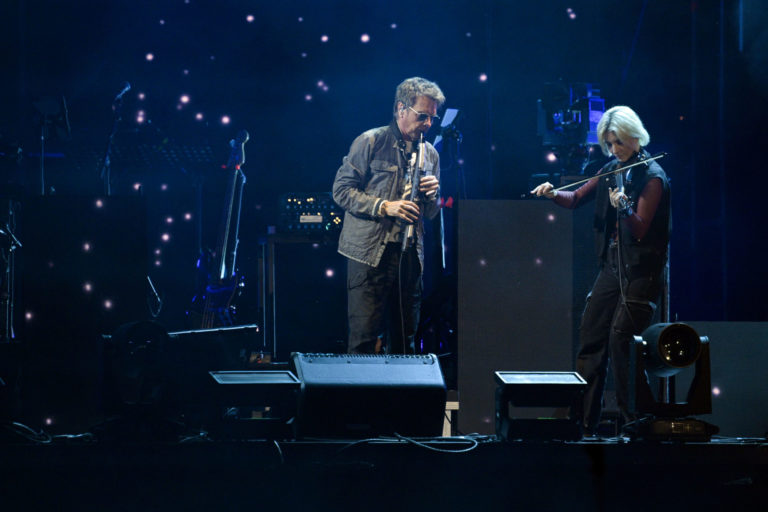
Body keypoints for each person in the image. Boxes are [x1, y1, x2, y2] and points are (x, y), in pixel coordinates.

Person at [531, 105, 670, 435]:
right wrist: (553, 193)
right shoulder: (611, 169)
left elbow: (640, 229)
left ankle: (634, 421)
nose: (614, 149)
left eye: (618, 142)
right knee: (592, 334)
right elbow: (576, 197)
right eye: (609, 144)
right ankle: (583, 423)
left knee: (622, 340)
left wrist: (624, 206)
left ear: (634, 136)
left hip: (642, 272)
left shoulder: (652, 176)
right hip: (613, 266)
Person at [332, 77, 445, 354]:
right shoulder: (371, 141)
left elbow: (431, 213)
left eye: (433, 118)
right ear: (401, 109)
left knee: (405, 342)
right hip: (369, 254)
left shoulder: (431, 154)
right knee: (364, 340)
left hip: (410, 254)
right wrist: (384, 206)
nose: (428, 124)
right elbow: (341, 191)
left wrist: (433, 195)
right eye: (422, 116)